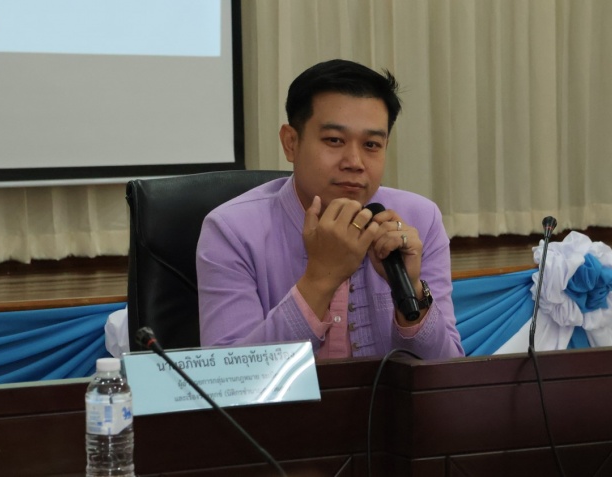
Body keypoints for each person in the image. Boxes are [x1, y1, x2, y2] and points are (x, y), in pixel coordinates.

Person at [196, 59, 463, 360]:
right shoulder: (231, 230)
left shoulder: (419, 221)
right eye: (334, 140)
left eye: (372, 145)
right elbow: (230, 374)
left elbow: (448, 370)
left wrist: (412, 292)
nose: (354, 162)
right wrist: (321, 278)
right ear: (291, 143)